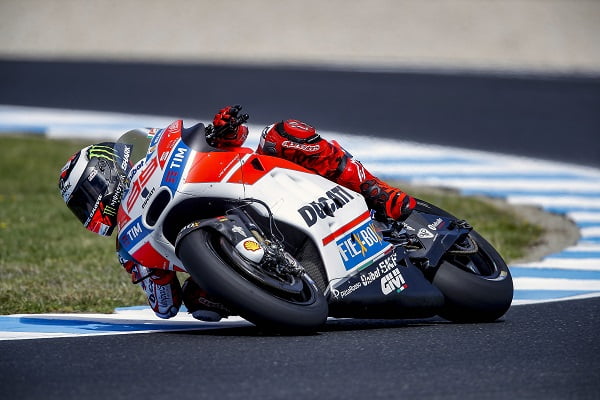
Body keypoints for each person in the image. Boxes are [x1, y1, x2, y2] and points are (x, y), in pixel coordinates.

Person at [59, 105, 416, 322]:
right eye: (81, 204)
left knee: (284, 133)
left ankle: (375, 190)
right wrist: (150, 276)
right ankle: (277, 287)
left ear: (105, 173)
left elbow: (231, 138)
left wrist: (223, 128)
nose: (88, 207)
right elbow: (166, 307)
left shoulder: (156, 151)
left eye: (86, 194)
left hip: (255, 183)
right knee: (200, 302)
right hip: (237, 251)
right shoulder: (128, 244)